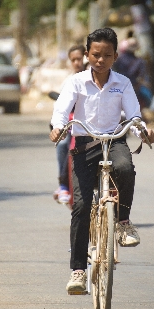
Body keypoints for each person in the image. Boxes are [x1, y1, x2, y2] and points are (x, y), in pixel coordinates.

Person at [50, 27, 154, 293]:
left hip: (114, 141)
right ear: (87, 55)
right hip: (85, 145)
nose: (100, 60)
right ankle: (77, 271)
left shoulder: (122, 83)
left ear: (115, 56)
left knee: (125, 168)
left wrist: (143, 131)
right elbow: (61, 111)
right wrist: (58, 127)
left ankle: (123, 223)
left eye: (106, 55)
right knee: (81, 207)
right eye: (96, 54)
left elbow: (133, 116)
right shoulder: (76, 83)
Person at [53, 44, 86, 206]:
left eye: (79, 59)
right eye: (73, 60)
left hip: (96, 126)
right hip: (74, 125)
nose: (76, 63)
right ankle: (63, 184)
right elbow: (60, 109)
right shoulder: (68, 82)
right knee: (63, 144)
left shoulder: (98, 77)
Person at [112, 36, 152, 109]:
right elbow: (141, 77)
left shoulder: (118, 59)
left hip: (120, 87)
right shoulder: (140, 61)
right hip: (135, 88)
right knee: (148, 98)